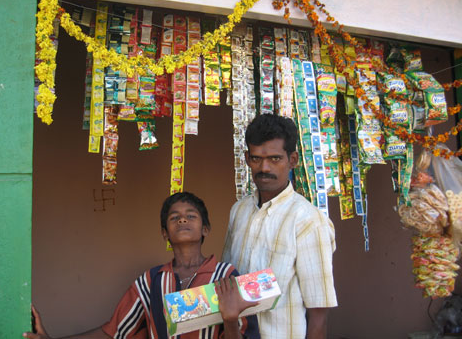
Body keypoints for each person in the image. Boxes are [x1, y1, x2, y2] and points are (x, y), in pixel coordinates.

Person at [24, 192, 260, 339]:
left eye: (191, 215)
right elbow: (112, 332)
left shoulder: (225, 276)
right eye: (174, 217)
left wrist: (229, 320)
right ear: (164, 233)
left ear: (205, 229)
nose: (182, 219)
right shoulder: (151, 281)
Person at [222, 114, 337, 339]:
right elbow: (227, 283)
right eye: (256, 159)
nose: (264, 168)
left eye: (275, 159)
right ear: (246, 158)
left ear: (292, 160)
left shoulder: (307, 221)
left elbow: (318, 314)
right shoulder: (239, 211)